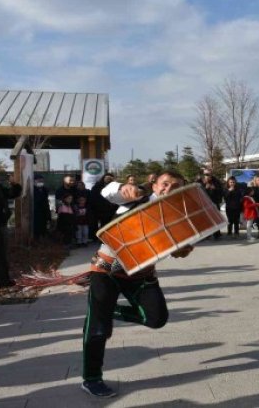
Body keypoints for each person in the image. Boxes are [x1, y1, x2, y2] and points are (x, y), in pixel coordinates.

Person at [81, 170, 194, 398]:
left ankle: (106, 310)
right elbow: (107, 191)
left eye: (175, 187)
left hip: (141, 275)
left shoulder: (177, 216)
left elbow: (177, 248)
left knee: (156, 318)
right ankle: (92, 378)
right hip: (107, 270)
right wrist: (125, 188)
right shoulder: (136, 199)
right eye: (165, 184)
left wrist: (182, 250)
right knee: (98, 329)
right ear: (154, 186)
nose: (168, 189)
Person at [88, 173, 118, 241]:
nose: (108, 180)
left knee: (108, 225)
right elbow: (93, 198)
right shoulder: (97, 186)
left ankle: (107, 238)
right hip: (98, 209)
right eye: (107, 178)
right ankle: (99, 238)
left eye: (110, 179)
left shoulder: (115, 187)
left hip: (110, 210)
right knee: (99, 225)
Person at [201, 170, 224, 240]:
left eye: (209, 174)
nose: (208, 176)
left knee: (215, 218)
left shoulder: (216, 181)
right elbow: (196, 192)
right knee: (205, 219)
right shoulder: (200, 181)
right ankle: (206, 235)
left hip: (214, 202)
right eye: (206, 174)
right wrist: (205, 188)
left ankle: (217, 234)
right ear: (203, 174)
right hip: (203, 203)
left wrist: (215, 189)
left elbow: (221, 191)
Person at [33, 175, 52, 240]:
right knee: (37, 229)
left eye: (42, 181)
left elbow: (46, 201)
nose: (41, 182)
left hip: (44, 211)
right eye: (39, 180)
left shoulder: (44, 189)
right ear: (34, 181)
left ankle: (43, 240)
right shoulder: (33, 189)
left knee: (44, 228)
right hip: (36, 212)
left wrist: (48, 214)